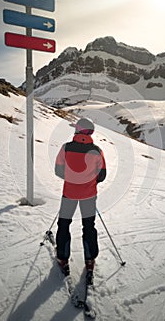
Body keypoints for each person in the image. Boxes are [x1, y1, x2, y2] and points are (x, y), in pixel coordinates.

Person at [55, 117, 106, 277]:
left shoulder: (66, 148)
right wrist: (88, 182)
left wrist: (72, 179)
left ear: (78, 130)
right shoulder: (97, 151)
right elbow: (102, 175)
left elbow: (58, 170)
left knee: (64, 224)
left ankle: (63, 258)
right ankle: (90, 259)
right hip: (89, 195)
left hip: (69, 193)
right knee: (89, 226)